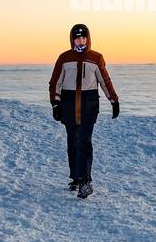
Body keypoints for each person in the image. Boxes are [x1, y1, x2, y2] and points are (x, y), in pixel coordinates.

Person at [49, 23, 120, 198]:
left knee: (85, 141)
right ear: (72, 39)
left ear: (88, 39)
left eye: (83, 37)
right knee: (73, 141)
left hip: (89, 105)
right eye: (77, 37)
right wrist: (55, 104)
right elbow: (55, 82)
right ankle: (76, 177)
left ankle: (86, 180)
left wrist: (114, 100)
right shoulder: (64, 58)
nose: (80, 40)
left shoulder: (96, 57)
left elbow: (104, 80)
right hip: (69, 104)